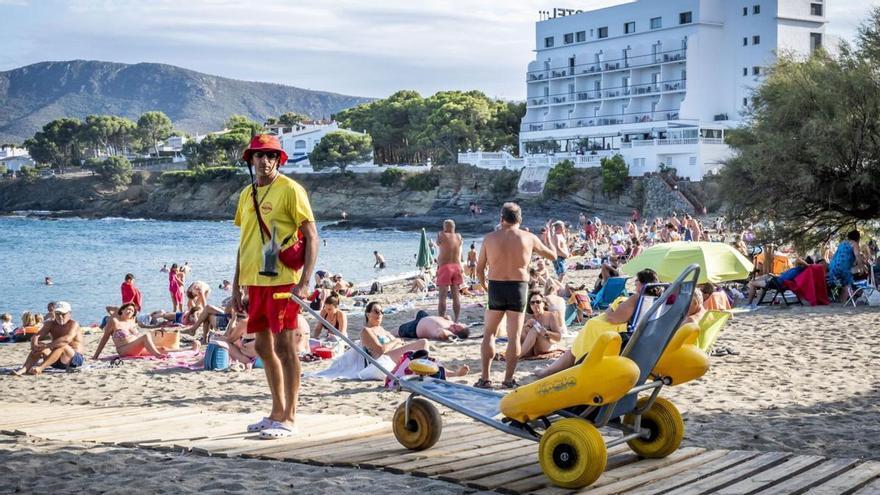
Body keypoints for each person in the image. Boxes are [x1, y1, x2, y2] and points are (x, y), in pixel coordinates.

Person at [232, 134, 318, 440]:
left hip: (283, 282)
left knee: (285, 347)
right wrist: (236, 286)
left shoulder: (291, 190)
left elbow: (312, 236)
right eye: (258, 155)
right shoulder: (246, 194)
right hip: (254, 283)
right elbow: (244, 243)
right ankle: (276, 412)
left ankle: (290, 417)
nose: (264, 161)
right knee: (263, 348)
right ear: (250, 160)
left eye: (270, 156)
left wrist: (305, 282)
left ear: (279, 160)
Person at [474, 202, 556, 389]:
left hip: (496, 286)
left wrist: (485, 286)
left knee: (489, 333)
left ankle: (485, 379)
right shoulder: (529, 237)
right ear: (520, 219)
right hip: (518, 287)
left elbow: (479, 269)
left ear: (501, 218)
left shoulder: (489, 238)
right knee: (513, 336)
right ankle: (508, 380)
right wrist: (547, 237)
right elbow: (553, 256)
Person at [535, 269, 660, 379]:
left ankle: (550, 371)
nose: (635, 283)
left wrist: (612, 308)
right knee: (577, 345)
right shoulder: (658, 300)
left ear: (643, 283)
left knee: (577, 347)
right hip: (641, 338)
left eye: (637, 281)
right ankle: (552, 369)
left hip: (619, 336)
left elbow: (613, 319)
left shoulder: (637, 297)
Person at [12, 301, 84, 376]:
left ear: (69, 313)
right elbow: (36, 336)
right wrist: (34, 344)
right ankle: (24, 369)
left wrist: (47, 346)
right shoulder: (50, 324)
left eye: (63, 314)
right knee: (39, 345)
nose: (60, 317)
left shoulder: (73, 324)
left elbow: (66, 339)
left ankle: (40, 368)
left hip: (73, 360)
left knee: (62, 345)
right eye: (57, 314)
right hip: (55, 360)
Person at [93, 303, 169, 359]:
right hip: (124, 349)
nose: (129, 311)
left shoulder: (131, 321)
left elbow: (142, 326)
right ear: (122, 310)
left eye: (132, 311)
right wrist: (95, 356)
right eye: (128, 309)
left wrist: (157, 326)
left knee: (163, 349)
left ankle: (175, 351)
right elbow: (104, 339)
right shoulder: (114, 321)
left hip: (135, 348)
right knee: (146, 336)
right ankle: (157, 355)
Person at [360, 301, 429, 363]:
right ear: (368, 314)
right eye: (377, 311)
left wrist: (397, 341)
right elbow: (380, 350)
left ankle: (423, 368)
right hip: (383, 360)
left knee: (421, 347)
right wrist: (396, 341)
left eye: (382, 312)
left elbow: (401, 342)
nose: (380, 314)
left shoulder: (381, 329)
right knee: (423, 343)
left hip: (392, 354)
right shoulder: (367, 330)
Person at [436, 219, 464, 322]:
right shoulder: (459, 236)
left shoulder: (440, 234)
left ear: (445, 226)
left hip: (445, 267)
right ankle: (456, 320)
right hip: (456, 267)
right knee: (456, 296)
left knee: (442, 297)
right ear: (454, 227)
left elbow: (438, 243)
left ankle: (441, 319)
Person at [520, 292, 562, 358]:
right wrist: (525, 325)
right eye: (532, 303)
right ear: (530, 305)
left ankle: (518, 355)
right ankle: (521, 353)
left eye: (538, 302)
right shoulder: (528, 317)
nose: (535, 304)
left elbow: (558, 337)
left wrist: (546, 332)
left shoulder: (550, 316)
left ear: (543, 303)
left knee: (535, 330)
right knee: (524, 329)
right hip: (531, 350)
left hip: (545, 346)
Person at [827, 230, 865, 303]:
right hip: (844, 268)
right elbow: (857, 256)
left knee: (843, 283)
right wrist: (861, 267)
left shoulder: (842, 243)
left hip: (833, 267)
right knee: (847, 284)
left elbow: (835, 256)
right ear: (858, 238)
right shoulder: (854, 244)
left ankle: (841, 300)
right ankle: (844, 302)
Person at [396, 310, 470, 341]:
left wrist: (450, 335)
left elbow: (443, 334)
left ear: (455, 333)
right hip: (423, 318)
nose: (454, 324)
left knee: (394, 332)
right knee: (419, 312)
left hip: (415, 328)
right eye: (457, 323)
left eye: (455, 327)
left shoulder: (445, 332)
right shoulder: (452, 324)